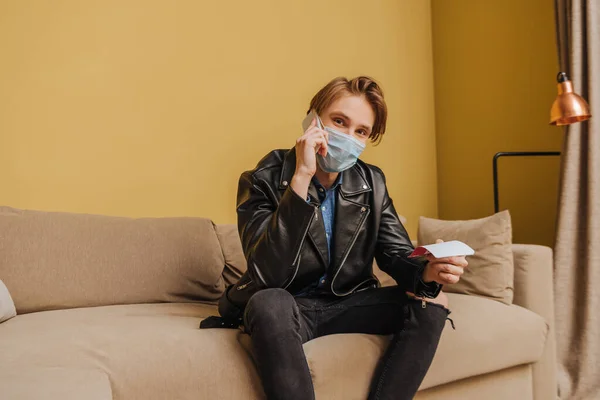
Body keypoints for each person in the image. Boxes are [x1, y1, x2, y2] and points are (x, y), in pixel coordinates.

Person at [212, 76, 467, 400]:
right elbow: (267, 273)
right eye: (339, 121)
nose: (348, 137)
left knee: (433, 301)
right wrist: (301, 178)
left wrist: (427, 271)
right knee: (268, 302)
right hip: (289, 307)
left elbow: (395, 252)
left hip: (348, 302)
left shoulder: (371, 182)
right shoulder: (263, 178)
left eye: (360, 131)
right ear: (312, 119)